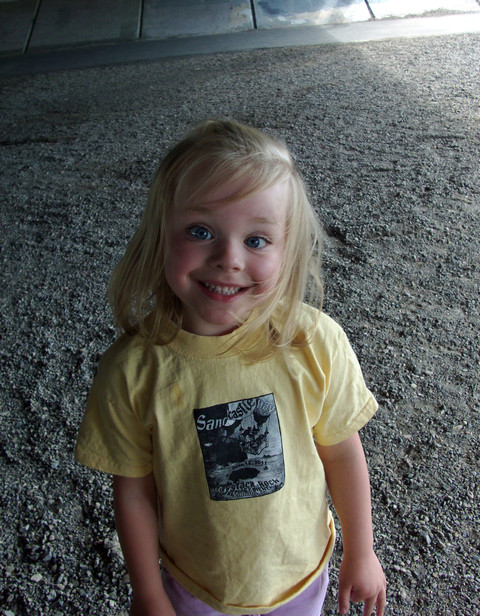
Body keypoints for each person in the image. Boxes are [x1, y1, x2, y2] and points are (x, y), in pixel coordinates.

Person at [75, 119, 386, 616]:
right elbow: (133, 491)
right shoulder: (132, 372)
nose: (229, 259)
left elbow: (343, 454)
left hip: (301, 578)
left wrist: (363, 552)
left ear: (288, 250)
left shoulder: (313, 342)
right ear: (161, 236)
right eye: (201, 232)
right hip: (195, 588)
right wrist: (148, 592)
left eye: (257, 241)